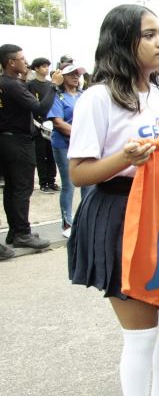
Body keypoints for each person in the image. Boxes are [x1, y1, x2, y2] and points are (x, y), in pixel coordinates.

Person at [67, 4, 159, 396]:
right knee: (141, 334)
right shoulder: (98, 98)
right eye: (150, 35)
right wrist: (124, 158)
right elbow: (80, 174)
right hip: (118, 214)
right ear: (125, 42)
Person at [0, 45, 54, 250]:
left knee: (12, 188)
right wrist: (53, 87)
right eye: (22, 59)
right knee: (23, 188)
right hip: (19, 141)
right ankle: (23, 233)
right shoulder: (14, 85)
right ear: (11, 62)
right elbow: (40, 108)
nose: (26, 62)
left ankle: (15, 231)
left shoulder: (4, 83)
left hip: (5, 140)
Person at [47, 63, 87, 238]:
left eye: (77, 73)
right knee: (69, 184)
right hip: (64, 145)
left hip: (85, 145)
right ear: (62, 77)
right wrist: (82, 134)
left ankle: (86, 220)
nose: (75, 77)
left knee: (88, 183)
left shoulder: (83, 95)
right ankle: (67, 224)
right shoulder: (57, 97)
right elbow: (58, 122)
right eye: (71, 74)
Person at [26, 57, 61, 193]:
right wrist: (36, 124)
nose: (46, 68)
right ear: (36, 68)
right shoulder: (30, 85)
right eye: (43, 66)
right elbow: (32, 106)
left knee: (51, 154)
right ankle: (43, 182)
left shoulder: (50, 85)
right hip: (38, 125)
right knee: (41, 155)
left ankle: (52, 181)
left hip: (51, 124)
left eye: (47, 66)